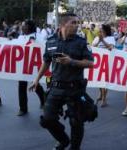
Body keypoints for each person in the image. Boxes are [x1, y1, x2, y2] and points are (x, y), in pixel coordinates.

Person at [29, 13, 93, 150]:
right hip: (56, 87)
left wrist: (72, 61)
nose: (77, 26)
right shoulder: (51, 41)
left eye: (78, 23)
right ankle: (63, 140)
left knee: (76, 122)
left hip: (75, 88)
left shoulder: (81, 42)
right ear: (62, 25)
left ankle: (75, 148)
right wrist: (36, 80)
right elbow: (46, 62)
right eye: (73, 23)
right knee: (47, 120)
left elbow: (90, 63)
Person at [17, 20, 45, 116]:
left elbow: (42, 48)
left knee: (36, 85)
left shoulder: (39, 36)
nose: (22, 27)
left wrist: (34, 42)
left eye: (24, 25)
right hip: (22, 65)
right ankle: (23, 108)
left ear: (29, 27)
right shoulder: (21, 37)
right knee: (21, 86)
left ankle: (44, 101)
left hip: (33, 65)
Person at [92, 24, 115, 107]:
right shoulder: (97, 38)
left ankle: (104, 99)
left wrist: (103, 41)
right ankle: (101, 94)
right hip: (98, 62)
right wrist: (99, 41)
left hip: (107, 62)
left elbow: (111, 48)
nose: (100, 30)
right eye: (100, 29)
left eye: (101, 29)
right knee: (99, 80)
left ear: (105, 30)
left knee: (105, 81)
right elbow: (92, 47)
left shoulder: (111, 38)